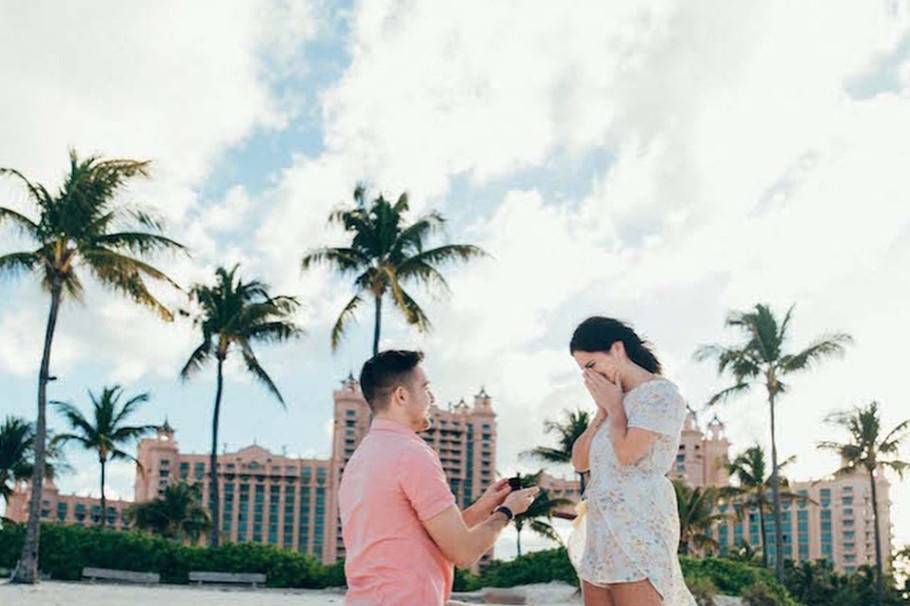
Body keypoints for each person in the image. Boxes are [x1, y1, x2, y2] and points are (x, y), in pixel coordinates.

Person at [339, 349, 539, 606]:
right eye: (425, 389)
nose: (431, 398)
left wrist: (484, 506)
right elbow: (463, 551)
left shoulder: (360, 459)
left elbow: (434, 537)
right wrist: (507, 512)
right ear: (401, 395)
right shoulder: (411, 453)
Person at [567, 317, 696, 606]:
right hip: (600, 530)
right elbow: (579, 462)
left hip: (639, 524)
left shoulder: (660, 394)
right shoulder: (614, 400)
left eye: (591, 365)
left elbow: (627, 455)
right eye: (582, 371)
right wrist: (602, 413)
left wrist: (614, 408)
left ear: (616, 349)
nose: (589, 377)